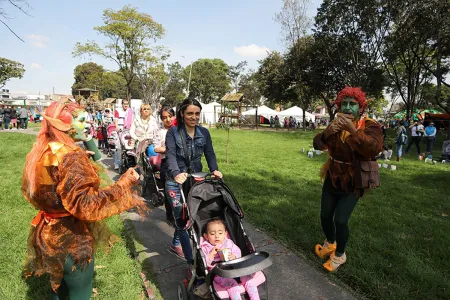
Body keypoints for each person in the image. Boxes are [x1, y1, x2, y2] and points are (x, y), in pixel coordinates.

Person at [22, 100, 146, 300]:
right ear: (64, 123)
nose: (87, 124)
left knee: (58, 288)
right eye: (80, 120)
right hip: (72, 236)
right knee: (79, 293)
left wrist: (79, 163)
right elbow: (87, 205)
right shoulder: (70, 157)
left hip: (47, 232)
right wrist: (123, 184)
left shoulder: (43, 151)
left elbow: (46, 189)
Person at [313, 87, 383, 272]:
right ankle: (330, 243)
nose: (348, 107)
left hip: (354, 179)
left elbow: (373, 149)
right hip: (332, 176)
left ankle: (340, 255)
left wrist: (352, 130)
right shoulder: (334, 124)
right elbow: (318, 144)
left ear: (360, 107)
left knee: (341, 220)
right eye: (344, 103)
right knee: (325, 215)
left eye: (353, 104)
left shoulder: (370, 125)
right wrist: (328, 132)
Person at [165, 98, 223, 266]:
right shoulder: (173, 132)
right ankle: (191, 261)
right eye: (190, 113)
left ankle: (183, 244)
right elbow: (171, 156)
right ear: (182, 114)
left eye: (197, 113)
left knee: (195, 215)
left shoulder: (204, 133)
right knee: (181, 218)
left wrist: (214, 170)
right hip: (175, 181)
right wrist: (176, 173)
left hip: (196, 178)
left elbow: (210, 154)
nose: (193, 117)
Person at [201, 218, 260, 300]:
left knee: (248, 279)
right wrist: (211, 254)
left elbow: (238, 252)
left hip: (234, 268)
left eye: (220, 233)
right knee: (232, 284)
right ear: (206, 236)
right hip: (219, 273)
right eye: (212, 234)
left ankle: (255, 298)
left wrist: (234, 256)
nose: (217, 236)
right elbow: (205, 263)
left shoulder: (228, 243)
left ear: (225, 234)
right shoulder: (206, 247)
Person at [158, 106, 176, 225]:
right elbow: (156, 148)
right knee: (169, 192)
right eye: (164, 118)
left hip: (180, 165)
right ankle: (170, 215)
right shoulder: (160, 132)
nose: (168, 120)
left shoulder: (179, 129)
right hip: (166, 163)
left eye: (170, 116)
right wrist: (169, 149)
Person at [113, 99, 133, 170]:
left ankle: (129, 161)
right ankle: (117, 163)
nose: (126, 105)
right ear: (122, 104)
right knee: (118, 147)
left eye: (127, 104)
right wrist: (117, 127)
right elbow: (115, 120)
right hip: (120, 129)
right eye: (124, 104)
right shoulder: (117, 111)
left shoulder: (130, 111)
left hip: (128, 130)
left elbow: (132, 120)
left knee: (128, 146)